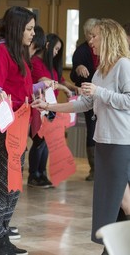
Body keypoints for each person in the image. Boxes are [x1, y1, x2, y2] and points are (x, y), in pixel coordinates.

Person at [32, 18, 130, 255]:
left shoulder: (123, 65)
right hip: (104, 142)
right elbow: (84, 104)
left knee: (123, 200)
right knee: (113, 202)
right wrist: (49, 106)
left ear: (108, 37)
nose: (91, 41)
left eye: (95, 36)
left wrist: (100, 92)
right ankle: (115, 247)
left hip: (120, 142)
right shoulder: (101, 71)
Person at [0, 6, 36, 255]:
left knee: (13, 183)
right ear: (17, 28)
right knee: (0, 183)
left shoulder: (18, 52)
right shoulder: (1, 51)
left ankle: (2, 234)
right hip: (2, 127)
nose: (32, 33)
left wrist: (38, 88)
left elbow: (20, 86)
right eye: (29, 29)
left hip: (18, 125)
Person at [28, 32, 78, 188]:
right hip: (39, 108)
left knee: (46, 142)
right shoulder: (35, 62)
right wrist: (65, 89)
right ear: (48, 46)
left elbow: (60, 80)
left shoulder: (50, 65)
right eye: (56, 49)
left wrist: (74, 88)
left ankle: (41, 173)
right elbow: (46, 82)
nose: (57, 53)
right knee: (39, 140)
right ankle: (34, 175)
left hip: (50, 107)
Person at [70, 18, 99, 181]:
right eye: (91, 34)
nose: (93, 38)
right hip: (89, 96)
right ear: (87, 34)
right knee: (92, 128)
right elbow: (74, 76)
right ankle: (94, 169)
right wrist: (78, 68)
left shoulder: (105, 49)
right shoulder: (81, 51)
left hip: (103, 95)